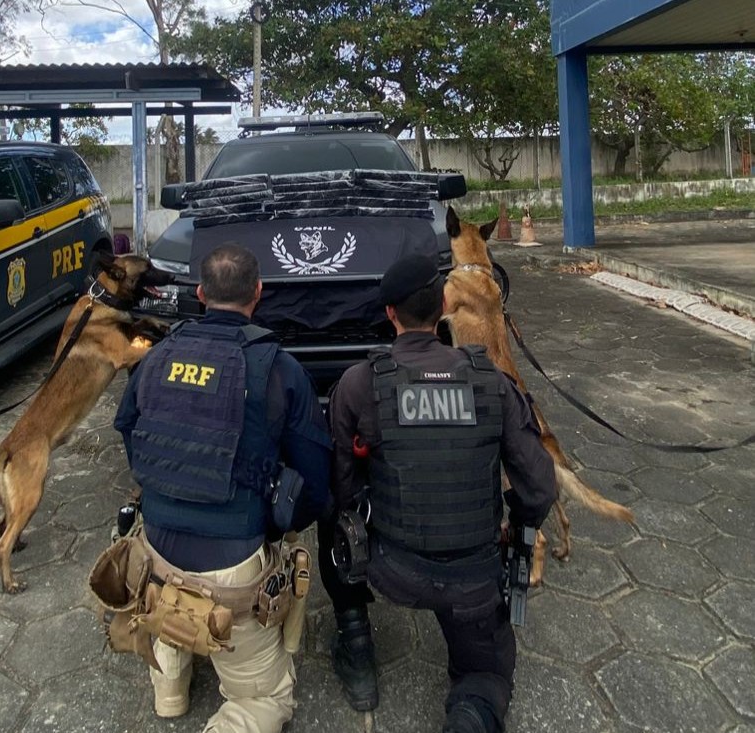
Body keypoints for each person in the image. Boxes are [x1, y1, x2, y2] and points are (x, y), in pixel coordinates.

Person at [320, 253, 556, 733]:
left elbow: (341, 486)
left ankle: (357, 642)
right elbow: (539, 485)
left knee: (329, 513)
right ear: (445, 304)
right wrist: (516, 525)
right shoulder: (492, 381)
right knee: (485, 676)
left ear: (389, 314)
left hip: (389, 569)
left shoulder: (359, 384)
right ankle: (468, 719)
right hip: (475, 577)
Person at [113, 243, 331, 733]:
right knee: (266, 698)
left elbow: (130, 434)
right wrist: (282, 527)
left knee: (163, 584)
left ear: (200, 294)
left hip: (155, 557)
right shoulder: (279, 369)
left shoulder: (155, 357)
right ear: (258, 293)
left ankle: (170, 686)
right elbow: (316, 484)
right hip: (234, 579)